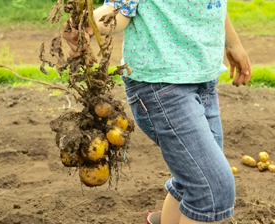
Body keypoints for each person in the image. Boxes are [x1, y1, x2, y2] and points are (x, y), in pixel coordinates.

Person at [63, 1, 252, 223]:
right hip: (163, 88)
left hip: (204, 81)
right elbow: (120, 8)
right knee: (212, 189)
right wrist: (87, 23)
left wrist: (233, 43)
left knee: (194, 180)